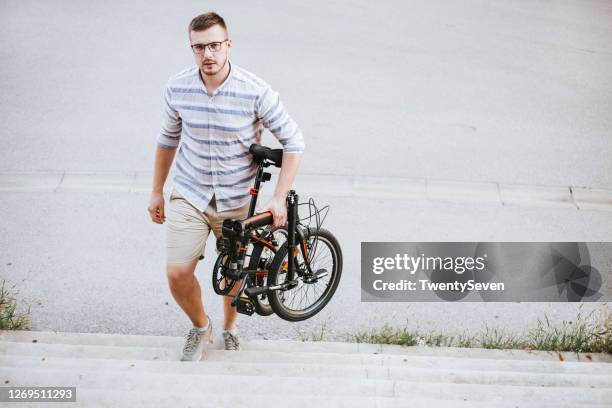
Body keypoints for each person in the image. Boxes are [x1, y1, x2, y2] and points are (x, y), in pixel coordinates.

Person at [147, 11, 305, 361]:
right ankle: (201, 326)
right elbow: (167, 140)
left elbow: (294, 141)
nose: (208, 54)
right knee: (177, 272)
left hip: (237, 199)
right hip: (190, 192)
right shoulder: (177, 88)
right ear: (192, 48)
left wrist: (279, 198)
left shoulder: (255, 91)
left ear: (228, 45)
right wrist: (157, 190)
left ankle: (230, 328)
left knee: (235, 271)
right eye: (199, 47)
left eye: (215, 45)